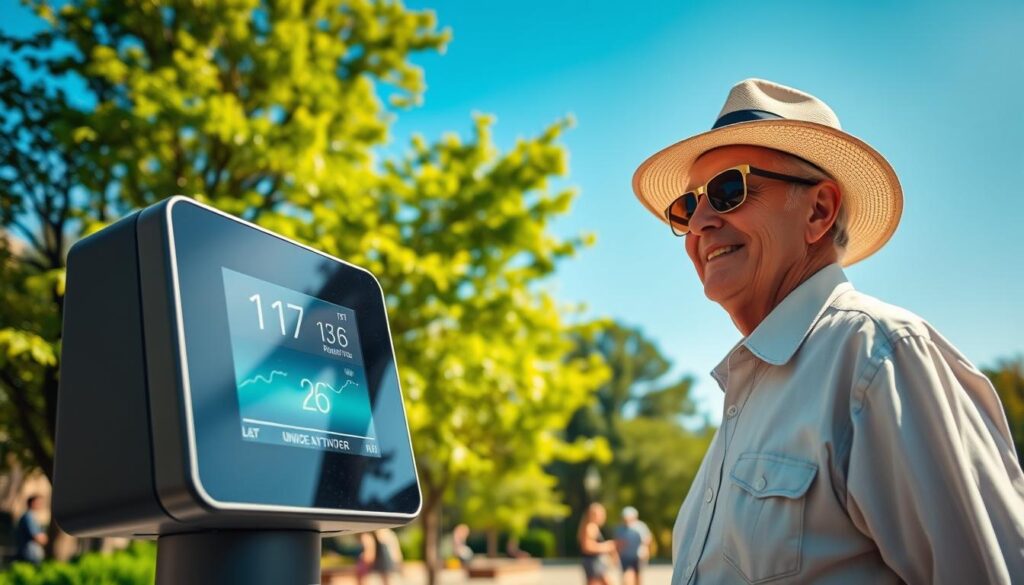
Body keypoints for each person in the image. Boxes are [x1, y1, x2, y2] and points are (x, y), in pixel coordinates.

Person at [631, 78, 1024, 584]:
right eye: (687, 206)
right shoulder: (754, 392)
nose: (701, 220)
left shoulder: (879, 355)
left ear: (818, 210)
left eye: (729, 190)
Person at [577, 503, 617, 585]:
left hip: (595, 561)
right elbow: (586, 547)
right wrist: (606, 546)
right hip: (592, 561)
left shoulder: (592, 526)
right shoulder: (590, 527)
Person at [614, 506, 651, 585]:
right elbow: (617, 543)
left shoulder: (640, 526)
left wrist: (644, 549)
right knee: (626, 577)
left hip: (637, 556)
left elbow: (647, 539)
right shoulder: (620, 528)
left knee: (638, 576)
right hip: (625, 556)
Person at [13, 495, 47, 565]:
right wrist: (43, 539)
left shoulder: (30, 516)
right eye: (39, 503)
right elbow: (36, 536)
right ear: (32, 503)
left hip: (30, 551)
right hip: (30, 552)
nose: (41, 505)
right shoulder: (29, 517)